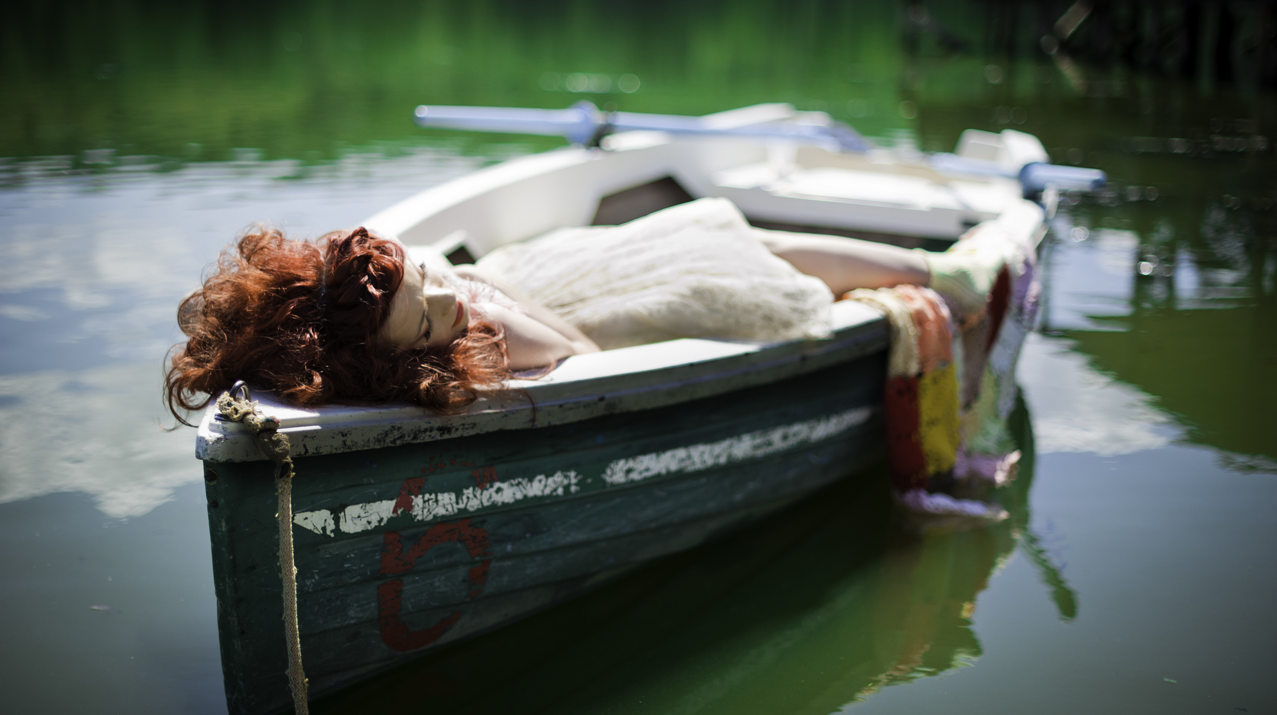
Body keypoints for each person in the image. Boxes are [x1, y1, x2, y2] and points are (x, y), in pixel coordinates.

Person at [165, 198, 930, 422]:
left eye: (422, 276)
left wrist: (442, 293)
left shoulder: (399, 305)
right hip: (596, 312)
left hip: (555, 273)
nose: (446, 295)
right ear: (408, 358)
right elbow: (581, 354)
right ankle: (926, 266)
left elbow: (440, 288)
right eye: (429, 320)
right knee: (747, 255)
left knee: (722, 234)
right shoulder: (486, 336)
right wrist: (479, 308)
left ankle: (932, 267)